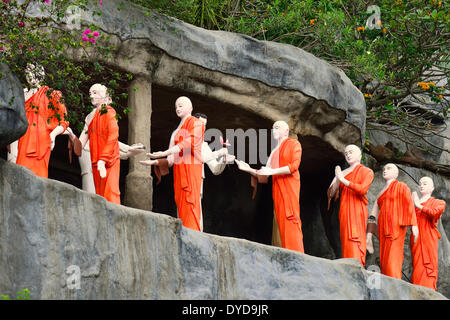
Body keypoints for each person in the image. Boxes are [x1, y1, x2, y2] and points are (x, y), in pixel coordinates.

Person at [141, 112, 234, 231]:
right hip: (182, 181)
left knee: (195, 216)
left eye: (205, 125)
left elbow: (215, 169)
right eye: (200, 124)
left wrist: (224, 159)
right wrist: (157, 162)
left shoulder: (203, 145)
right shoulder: (182, 140)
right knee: (182, 212)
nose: (203, 128)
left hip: (196, 183)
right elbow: (172, 160)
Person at [235, 120, 304, 253]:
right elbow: (263, 176)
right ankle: (289, 254)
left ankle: (298, 254)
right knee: (281, 221)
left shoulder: (294, 144)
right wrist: (248, 169)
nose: (274, 130)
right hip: (277, 190)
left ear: (286, 131)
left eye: (277, 127)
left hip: (289, 187)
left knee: (291, 219)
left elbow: (294, 166)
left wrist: (272, 171)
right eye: (273, 128)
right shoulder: (274, 152)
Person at [144, 96, 205, 231]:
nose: (178, 108)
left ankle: (193, 234)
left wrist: (165, 152)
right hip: (179, 172)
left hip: (190, 170)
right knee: (180, 202)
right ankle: (186, 232)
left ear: (190, 108)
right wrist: (155, 161)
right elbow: (171, 159)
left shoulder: (197, 123)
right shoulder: (175, 132)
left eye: (181, 105)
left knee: (191, 203)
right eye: (176, 106)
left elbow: (189, 142)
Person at [10, 64, 69, 177]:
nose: (30, 75)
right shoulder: (21, 94)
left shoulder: (52, 94)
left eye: (33, 71)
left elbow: (64, 120)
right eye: (28, 71)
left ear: (41, 75)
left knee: (37, 175)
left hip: (40, 141)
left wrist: (53, 135)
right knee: (18, 172)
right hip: (20, 138)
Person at [366, 163, 419, 279]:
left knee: (392, 261)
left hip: (395, 229)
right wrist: (369, 236)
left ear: (396, 173)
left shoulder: (401, 186)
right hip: (383, 231)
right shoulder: (380, 193)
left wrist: (414, 225)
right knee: (384, 262)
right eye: (384, 168)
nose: (385, 170)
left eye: (389, 168)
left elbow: (409, 204)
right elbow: (372, 215)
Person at [327, 144, 374, 266]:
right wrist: (338, 178)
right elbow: (331, 194)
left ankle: (357, 264)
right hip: (344, 209)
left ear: (360, 155)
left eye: (351, 152)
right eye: (346, 153)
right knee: (346, 238)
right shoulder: (342, 173)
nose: (348, 154)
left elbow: (363, 189)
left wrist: (343, 180)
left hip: (357, 209)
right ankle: (349, 265)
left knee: (356, 237)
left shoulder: (367, 171)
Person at [78, 83, 121, 204]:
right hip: (96, 161)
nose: (91, 96)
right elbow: (81, 143)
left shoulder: (108, 112)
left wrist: (103, 159)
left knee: (110, 192)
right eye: (90, 93)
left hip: (109, 160)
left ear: (104, 97)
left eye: (95, 93)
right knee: (100, 195)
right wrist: (69, 135)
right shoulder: (91, 117)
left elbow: (113, 135)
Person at [410, 176, 446, 290]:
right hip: (416, 237)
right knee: (417, 265)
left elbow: (434, 213)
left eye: (425, 183)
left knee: (428, 265)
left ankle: (428, 291)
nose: (421, 185)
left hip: (428, 237)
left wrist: (418, 205)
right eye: (420, 183)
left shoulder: (438, 202)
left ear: (432, 188)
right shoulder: (413, 202)